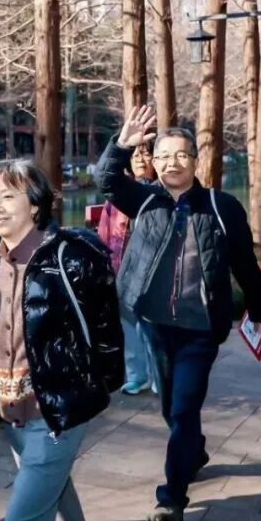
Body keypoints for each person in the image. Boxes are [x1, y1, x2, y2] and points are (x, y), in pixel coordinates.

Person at [97, 105, 261, 521]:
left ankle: (172, 498)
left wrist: (259, 310)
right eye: (163, 156)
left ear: (195, 161)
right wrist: (122, 144)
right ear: (154, 162)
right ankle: (193, 451)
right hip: (154, 324)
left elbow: (245, 264)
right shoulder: (144, 198)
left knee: (184, 406)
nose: (171, 163)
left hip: (200, 328)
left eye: (180, 155)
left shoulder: (221, 207)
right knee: (172, 409)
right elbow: (105, 179)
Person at [0, 160, 124, 521]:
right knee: (50, 491)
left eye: (8, 196)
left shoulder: (71, 256)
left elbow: (106, 327)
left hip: (57, 407)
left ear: (36, 203)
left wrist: (95, 387)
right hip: (9, 406)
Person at [96, 143, 156, 395]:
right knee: (128, 324)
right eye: (135, 155)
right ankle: (136, 375)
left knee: (152, 325)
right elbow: (105, 233)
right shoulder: (118, 194)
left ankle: (158, 376)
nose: (140, 159)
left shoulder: (160, 192)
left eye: (146, 153)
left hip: (152, 271)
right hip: (123, 268)